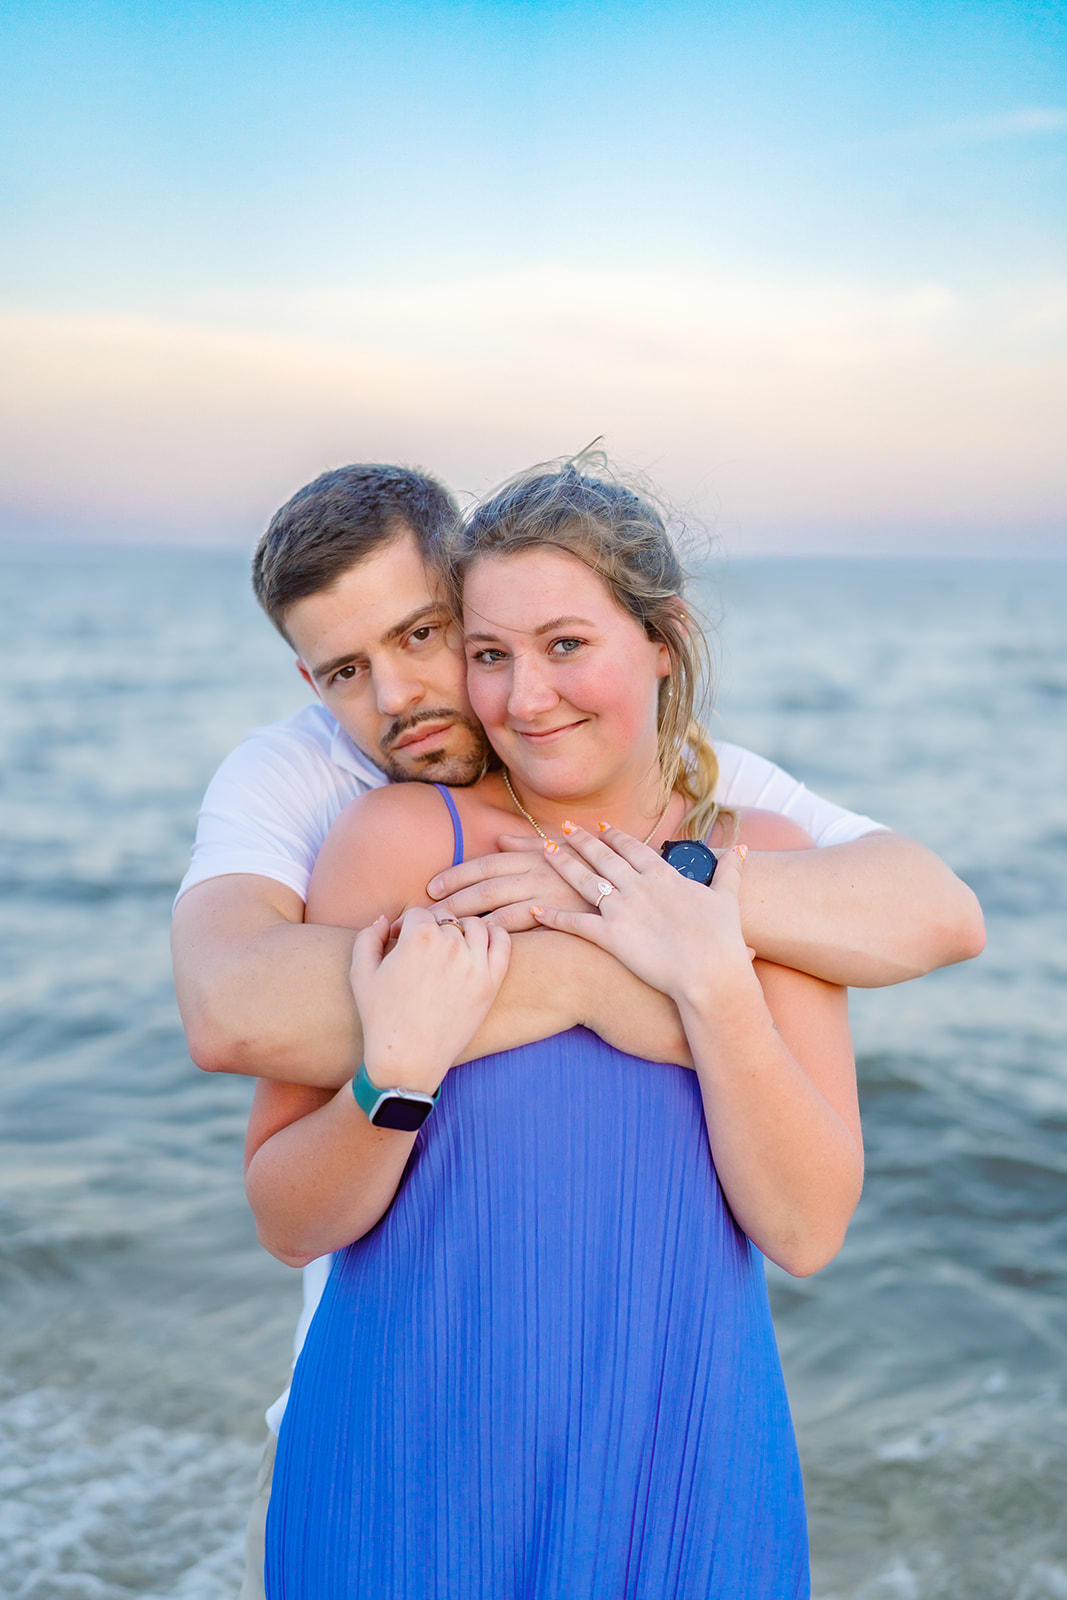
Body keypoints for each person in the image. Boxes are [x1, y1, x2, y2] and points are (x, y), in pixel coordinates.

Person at [170, 463, 984, 1598]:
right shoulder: (390, 830)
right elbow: (283, 1207)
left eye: (561, 645)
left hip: (682, 1459)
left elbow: (803, 1227)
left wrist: (705, 977)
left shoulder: (762, 862)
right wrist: (400, 1072)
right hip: (404, 1453)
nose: (517, 695)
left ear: (662, 642)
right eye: (494, 654)